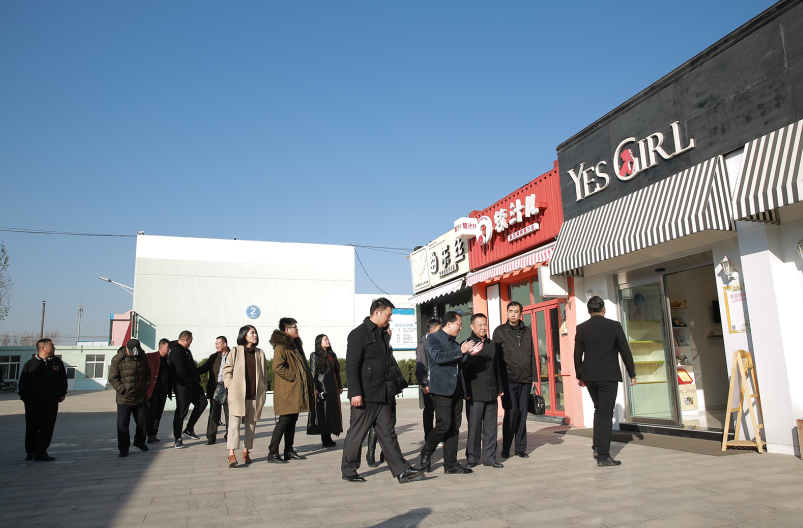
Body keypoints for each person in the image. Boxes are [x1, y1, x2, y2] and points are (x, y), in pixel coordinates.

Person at [341, 297, 426, 484]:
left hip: (383, 393)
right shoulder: (358, 334)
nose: (390, 318)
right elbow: (351, 367)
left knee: (388, 433)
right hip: (365, 395)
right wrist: (355, 393)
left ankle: (402, 470)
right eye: (388, 315)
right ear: (377, 312)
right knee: (357, 433)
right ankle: (348, 470)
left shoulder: (383, 334)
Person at [574, 296, 637, 467]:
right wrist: (632, 373)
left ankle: (597, 446)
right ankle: (603, 456)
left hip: (590, 377)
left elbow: (577, 354)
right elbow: (625, 351)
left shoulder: (581, 328)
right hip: (608, 376)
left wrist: (580, 375)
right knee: (606, 413)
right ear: (604, 309)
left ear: (588, 311)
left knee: (599, 410)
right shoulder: (614, 326)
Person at [418, 311, 481, 474]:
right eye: (459, 324)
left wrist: (470, 355)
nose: (460, 328)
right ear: (449, 324)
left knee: (454, 427)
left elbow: (460, 365)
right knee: (444, 424)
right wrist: (461, 351)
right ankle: (426, 452)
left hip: (457, 390)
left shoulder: (455, 343)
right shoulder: (433, 339)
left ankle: (451, 464)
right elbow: (438, 357)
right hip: (441, 390)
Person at [493, 301, 537, 458]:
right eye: (510, 311)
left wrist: (534, 376)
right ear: (506, 313)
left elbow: (532, 353)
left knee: (522, 414)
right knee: (511, 413)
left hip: (525, 379)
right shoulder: (500, 331)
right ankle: (506, 448)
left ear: (520, 314)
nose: (513, 314)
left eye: (516, 311)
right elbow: (495, 357)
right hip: (508, 379)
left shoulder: (527, 330)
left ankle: (520, 448)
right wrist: (498, 381)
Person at [268, 317, 313, 463]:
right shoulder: (281, 346)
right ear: (287, 330)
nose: (297, 329)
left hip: (294, 391)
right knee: (284, 421)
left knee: (292, 421)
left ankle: (289, 450)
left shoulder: (294, 345)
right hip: (287, 391)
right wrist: (293, 376)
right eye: (294, 327)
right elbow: (277, 366)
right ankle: (272, 453)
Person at [222, 325, 268, 468]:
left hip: (254, 396)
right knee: (233, 425)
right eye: (252, 333)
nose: (255, 335)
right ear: (244, 335)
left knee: (251, 426)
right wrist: (230, 385)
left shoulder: (260, 353)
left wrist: (263, 389)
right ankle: (231, 454)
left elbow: (264, 374)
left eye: (255, 333)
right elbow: (226, 370)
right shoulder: (235, 351)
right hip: (237, 395)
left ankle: (246, 451)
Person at [463, 313, 505, 468]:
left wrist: (500, 387)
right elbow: (462, 371)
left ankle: (490, 458)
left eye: (485, 324)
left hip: (491, 392)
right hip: (474, 394)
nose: (483, 327)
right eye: (479, 325)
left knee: (491, 428)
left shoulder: (492, 344)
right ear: (472, 326)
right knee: (474, 428)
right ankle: (472, 458)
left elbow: (497, 367)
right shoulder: (466, 344)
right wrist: (466, 393)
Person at [18, 338, 67, 461]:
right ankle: (31, 451)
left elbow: (63, 379)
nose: (54, 348)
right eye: (51, 346)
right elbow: (23, 383)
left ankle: (41, 452)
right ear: (43, 348)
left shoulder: (57, 362)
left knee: (47, 427)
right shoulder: (31, 364)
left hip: (51, 401)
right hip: (34, 402)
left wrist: (62, 394)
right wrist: (26, 399)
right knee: (32, 427)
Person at [108, 339, 152, 457]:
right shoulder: (117, 359)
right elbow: (112, 378)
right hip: (125, 399)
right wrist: (123, 389)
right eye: (132, 352)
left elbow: (148, 372)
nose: (134, 354)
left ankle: (139, 442)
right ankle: (124, 448)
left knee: (143, 422)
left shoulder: (142, 357)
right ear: (126, 348)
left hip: (140, 397)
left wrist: (146, 385)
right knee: (123, 425)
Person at [168, 330, 207, 448]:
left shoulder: (187, 351)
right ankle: (177, 438)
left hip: (193, 386)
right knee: (181, 413)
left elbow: (192, 369)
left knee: (202, 402)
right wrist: (190, 382)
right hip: (182, 387)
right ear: (186, 339)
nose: (191, 343)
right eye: (191, 340)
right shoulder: (175, 351)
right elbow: (179, 370)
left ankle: (189, 428)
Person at [307, 334, 343, 448]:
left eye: (327, 339)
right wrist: (315, 388)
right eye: (325, 339)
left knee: (332, 412)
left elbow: (337, 371)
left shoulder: (332, 355)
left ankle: (329, 436)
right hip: (322, 386)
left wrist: (340, 386)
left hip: (333, 386)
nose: (327, 341)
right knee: (324, 412)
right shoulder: (314, 355)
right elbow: (313, 373)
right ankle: (325, 438)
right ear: (319, 342)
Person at [198, 336, 230, 445]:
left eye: (218, 344)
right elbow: (204, 368)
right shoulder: (214, 357)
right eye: (216, 344)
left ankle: (229, 435)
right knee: (213, 414)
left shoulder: (233, 355)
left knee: (229, 414)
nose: (216, 346)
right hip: (216, 388)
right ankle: (211, 436)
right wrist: (191, 371)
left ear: (224, 344)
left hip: (228, 388)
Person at [415, 317, 442, 442]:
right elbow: (421, 365)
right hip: (429, 384)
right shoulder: (423, 344)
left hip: (439, 383)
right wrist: (424, 383)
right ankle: (429, 438)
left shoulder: (438, 342)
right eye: (439, 329)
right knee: (429, 411)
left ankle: (438, 436)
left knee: (440, 411)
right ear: (432, 330)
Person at [146, 338, 171, 443]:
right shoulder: (150, 357)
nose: (169, 349)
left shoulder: (169, 360)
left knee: (158, 413)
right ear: (161, 347)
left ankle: (154, 434)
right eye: (167, 347)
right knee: (151, 413)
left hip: (163, 391)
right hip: (153, 391)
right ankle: (150, 434)